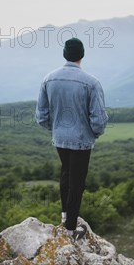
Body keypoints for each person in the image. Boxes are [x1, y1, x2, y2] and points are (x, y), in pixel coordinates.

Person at [35, 37, 109, 240]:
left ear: (64, 55)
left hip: (60, 138)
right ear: (82, 55)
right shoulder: (92, 83)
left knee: (66, 174)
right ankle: (69, 230)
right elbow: (99, 119)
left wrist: (56, 128)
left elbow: (41, 116)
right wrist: (94, 132)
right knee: (77, 182)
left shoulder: (48, 79)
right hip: (81, 140)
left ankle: (65, 215)